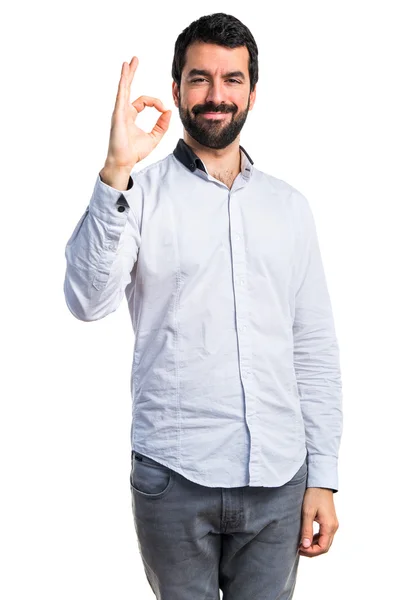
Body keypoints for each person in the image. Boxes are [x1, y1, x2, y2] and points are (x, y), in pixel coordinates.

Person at [63, 12, 343, 600]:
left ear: (253, 91)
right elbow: (87, 302)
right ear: (175, 89)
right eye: (199, 79)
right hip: (173, 477)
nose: (216, 96)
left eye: (232, 79)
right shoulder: (136, 197)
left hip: (279, 480)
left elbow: (313, 348)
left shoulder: (290, 208)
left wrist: (324, 477)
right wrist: (116, 170)